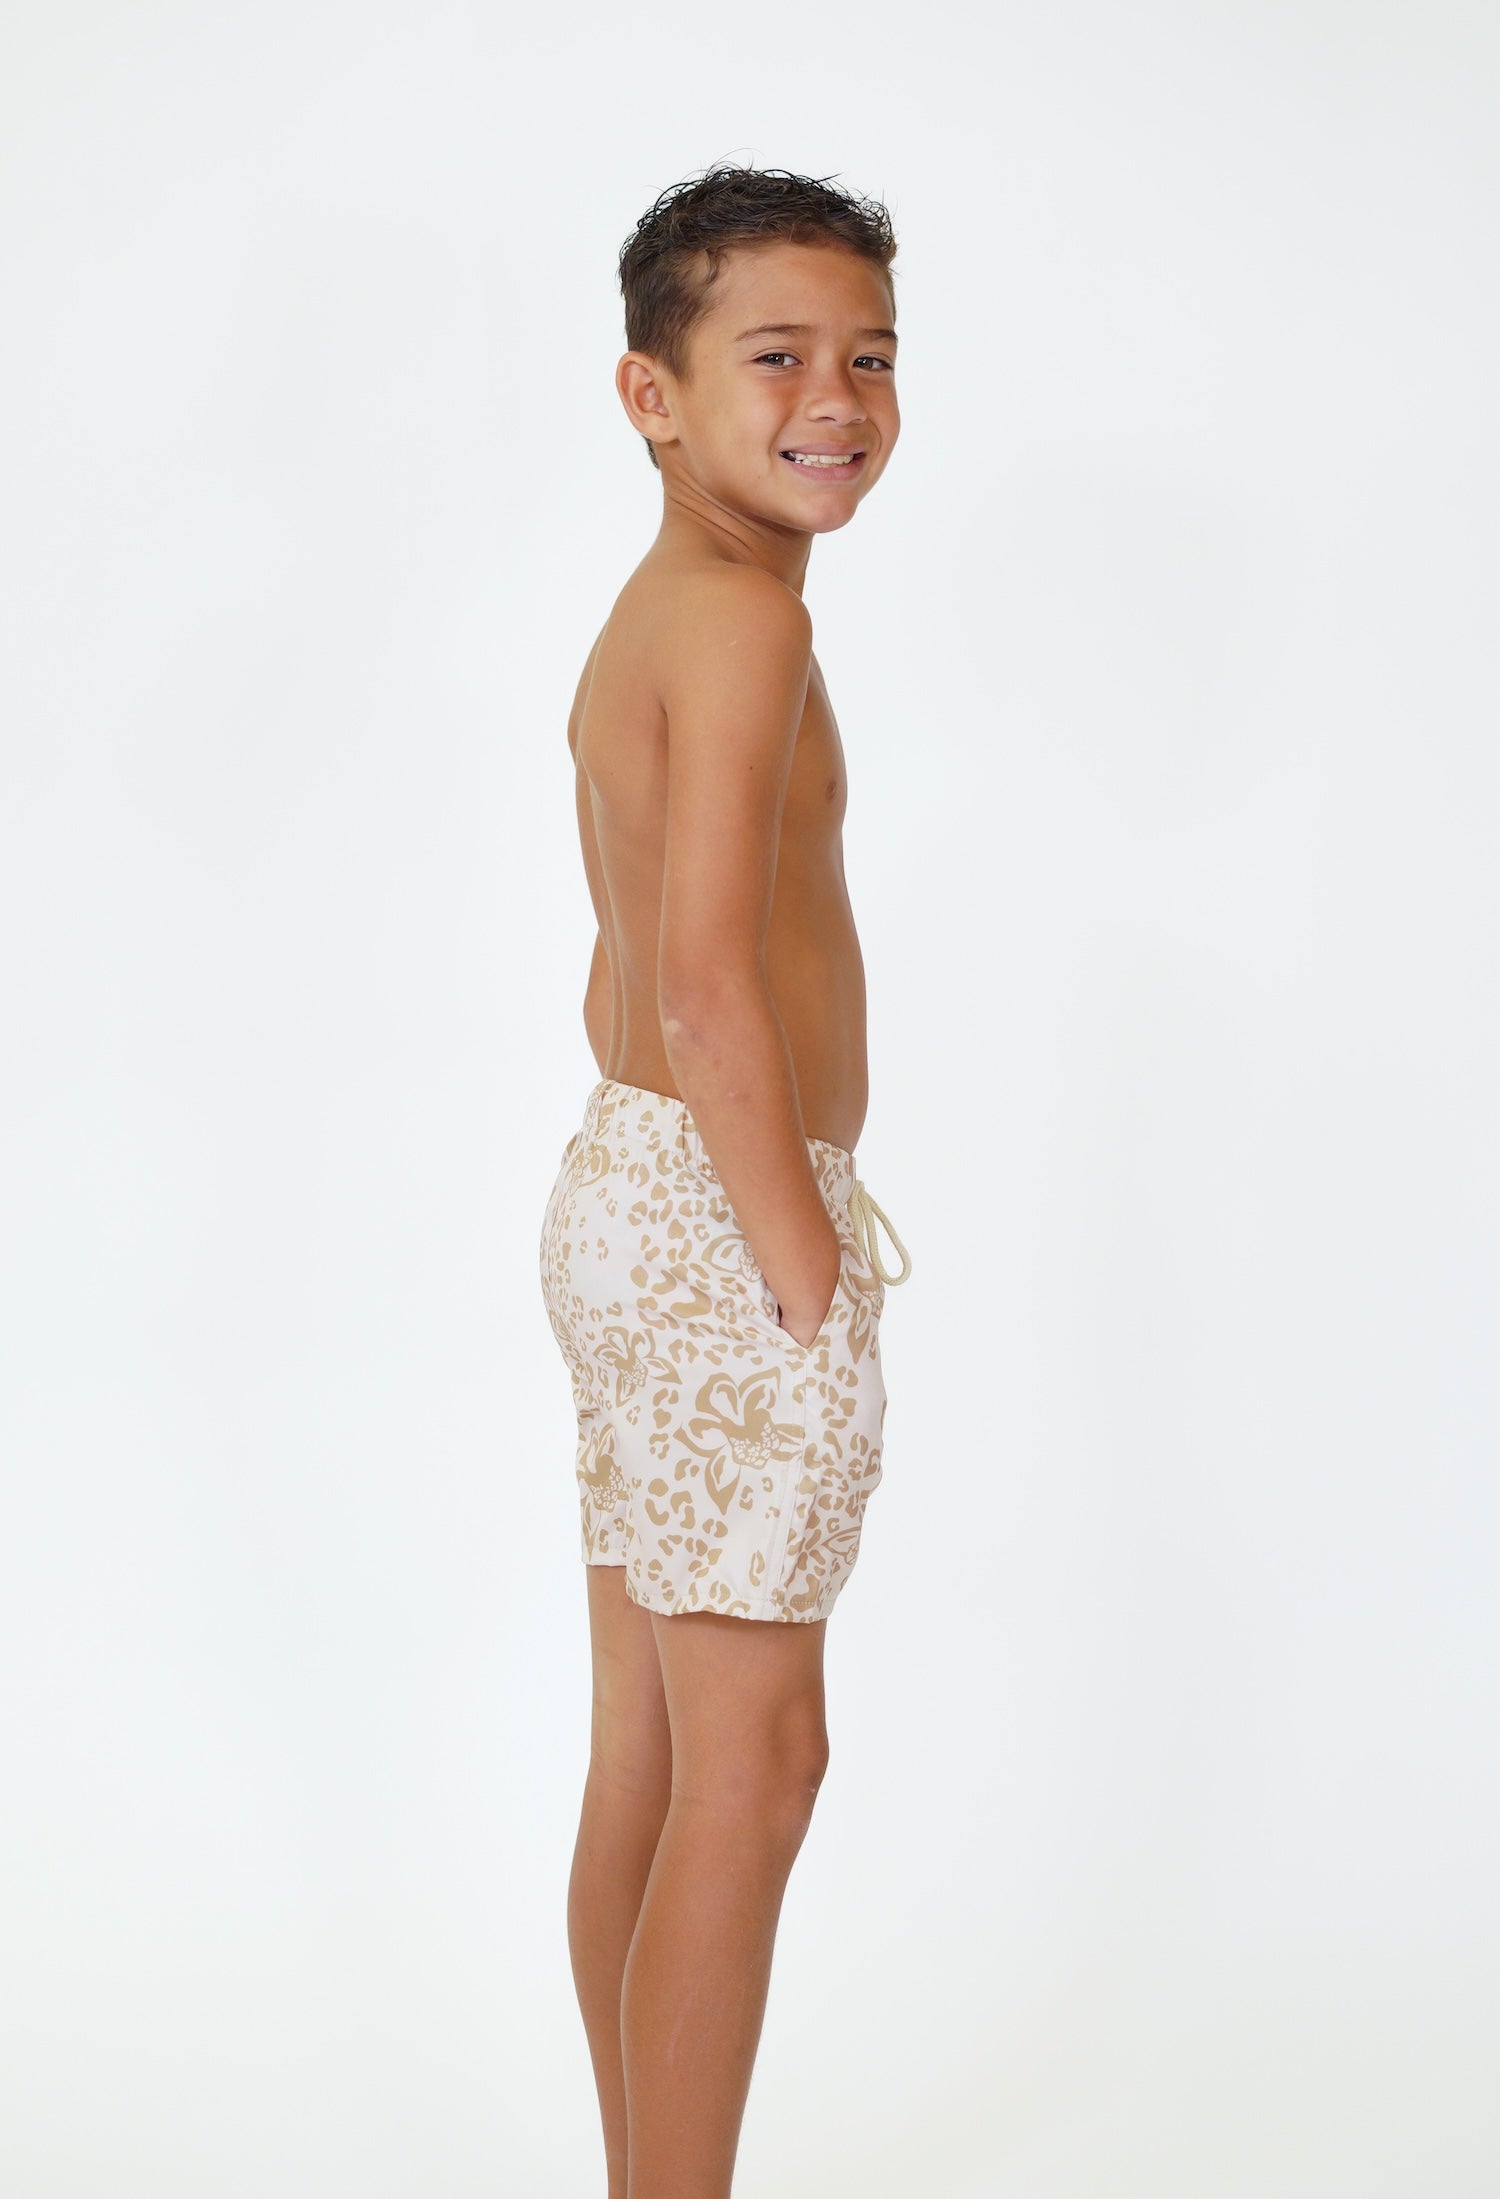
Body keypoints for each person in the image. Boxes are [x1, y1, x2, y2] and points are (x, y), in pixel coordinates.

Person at [537, 162, 913, 2199]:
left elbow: (615, 971)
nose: (834, 397)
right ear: (651, 394)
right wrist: (804, 1269)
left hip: (627, 1191)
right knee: (756, 1768)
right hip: (721, 1219)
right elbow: (695, 976)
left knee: (659, 1755)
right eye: (776, 355)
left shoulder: (656, 614)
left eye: (870, 356)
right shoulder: (746, 622)